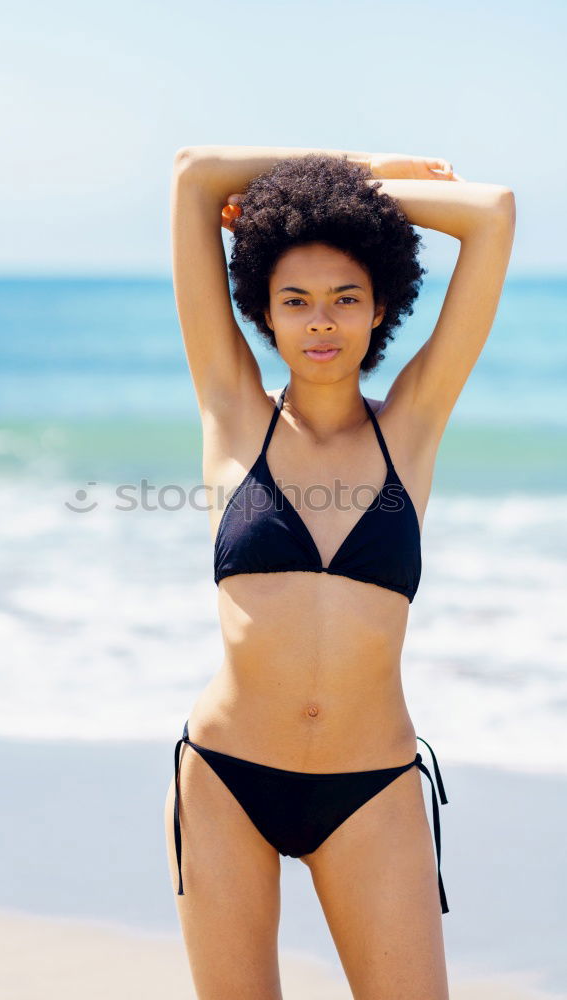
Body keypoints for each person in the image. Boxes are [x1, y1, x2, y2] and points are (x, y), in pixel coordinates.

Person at [163, 145, 515, 1000]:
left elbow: (492, 213)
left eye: (344, 300)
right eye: (297, 302)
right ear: (266, 315)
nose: (321, 322)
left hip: (374, 789)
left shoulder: (414, 426)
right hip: (226, 781)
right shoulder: (232, 410)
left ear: (380, 308)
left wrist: (357, 189)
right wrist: (337, 172)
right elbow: (192, 177)